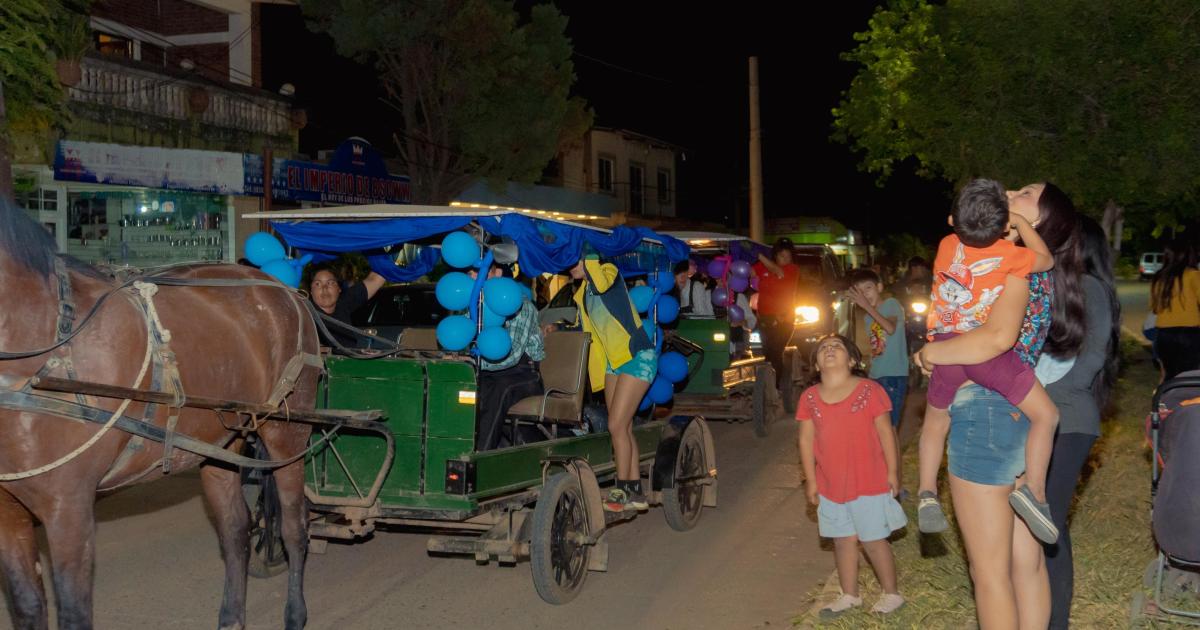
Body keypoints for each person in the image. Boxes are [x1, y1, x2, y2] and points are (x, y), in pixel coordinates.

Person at [915, 181, 1085, 629]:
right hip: (1016, 410)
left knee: (989, 574)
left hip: (983, 410)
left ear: (1039, 221)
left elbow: (995, 339)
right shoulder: (1029, 266)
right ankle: (1032, 493)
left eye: (1025, 193)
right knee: (1024, 563)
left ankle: (926, 490)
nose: (1011, 192)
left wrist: (932, 352)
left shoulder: (1011, 265)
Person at [916, 179, 1060, 546]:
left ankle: (927, 492)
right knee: (1046, 415)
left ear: (952, 221)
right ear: (1003, 224)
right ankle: (1034, 491)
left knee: (935, 423)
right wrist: (1021, 224)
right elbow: (1046, 260)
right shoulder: (1012, 258)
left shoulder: (946, 245)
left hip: (946, 349)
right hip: (987, 354)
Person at [1042, 216, 1121, 629]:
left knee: (1048, 525)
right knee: (1043, 521)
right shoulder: (1067, 287)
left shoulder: (1089, 288)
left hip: (1068, 419)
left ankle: (1056, 620)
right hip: (1051, 416)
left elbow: (1089, 359)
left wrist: (1043, 393)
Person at [797, 334, 906, 619]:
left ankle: (892, 593)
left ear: (853, 360)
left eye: (837, 346)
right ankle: (849, 595)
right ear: (816, 365)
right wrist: (811, 480)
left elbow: (886, 432)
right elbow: (806, 440)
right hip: (830, 484)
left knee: (873, 539)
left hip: (869, 479)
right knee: (842, 540)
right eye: (823, 348)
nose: (829, 350)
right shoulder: (809, 398)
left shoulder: (870, 390)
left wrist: (893, 471)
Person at [570, 253, 656, 512]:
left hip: (636, 356)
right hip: (612, 362)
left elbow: (601, 283)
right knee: (623, 427)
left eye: (573, 261)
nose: (568, 268)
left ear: (588, 259)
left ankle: (622, 489)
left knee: (616, 425)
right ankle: (636, 493)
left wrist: (589, 255)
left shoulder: (608, 272)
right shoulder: (583, 293)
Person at [847, 268, 908, 492]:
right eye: (860, 291)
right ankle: (882, 479)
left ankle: (897, 486)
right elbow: (875, 348)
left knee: (889, 431)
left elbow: (890, 328)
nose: (865, 294)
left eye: (869, 288)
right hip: (876, 376)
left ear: (880, 287)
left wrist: (867, 306)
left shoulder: (890, 304)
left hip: (893, 376)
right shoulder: (867, 317)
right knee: (876, 431)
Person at [474, 265, 546, 451]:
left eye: (479, 271)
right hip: (488, 371)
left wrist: (474, 362)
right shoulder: (475, 307)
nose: (474, 276)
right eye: (470, 272)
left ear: (497, 273)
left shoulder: (520, 306)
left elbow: (513, 355)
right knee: (464, 386)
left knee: (499, 389)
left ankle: (479, 456)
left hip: (524, 374)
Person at [1150, 237, 1200, 380]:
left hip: (1164, 335)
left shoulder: (1159, 278)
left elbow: (1155, 309)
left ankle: (1167, 395)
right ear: (1188, 255)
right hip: (1189, 334)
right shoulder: (1193, 275)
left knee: (1169, 376)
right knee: (1189, 377)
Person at [753, 238, 801, 389]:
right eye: (782, 256)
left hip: (783, 320)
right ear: (775, 255)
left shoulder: (792, 269)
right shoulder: (763, 266)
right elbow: (749, 272)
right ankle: (769, 387)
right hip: (764, 319)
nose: (786, 259)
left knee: (775, 352)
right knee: (766, 353)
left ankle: (776, 387)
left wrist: (758, 254)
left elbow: (778, 272)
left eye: (788, 256)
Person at [308, 262, 386, 350]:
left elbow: (375, 279)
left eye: (330, 283)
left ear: (339, 288)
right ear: (311, 291)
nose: (324, 288)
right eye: (317, 284)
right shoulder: (304, 314)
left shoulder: (343, 303)